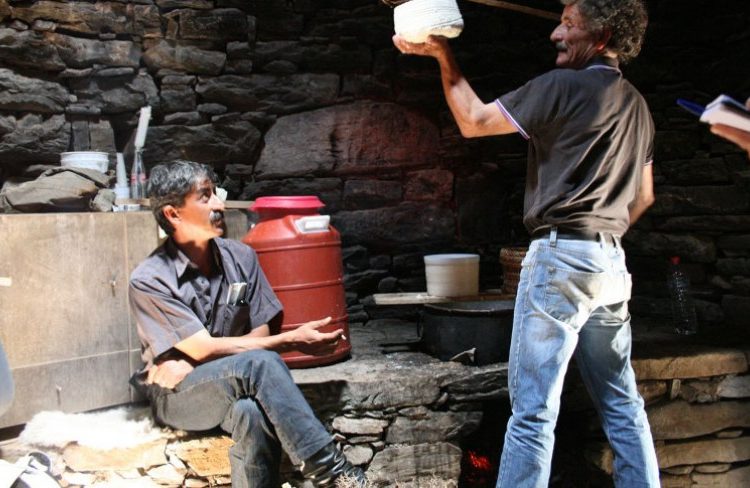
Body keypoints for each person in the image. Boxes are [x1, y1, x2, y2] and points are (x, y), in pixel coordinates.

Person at [393, 0, 659, 486]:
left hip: (562, 257)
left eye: (569, 25)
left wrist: (440, 56)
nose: (556, 33)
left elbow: (473, 120)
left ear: (599, 38)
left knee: (533, 411)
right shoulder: (638, 105)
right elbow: (643, 197)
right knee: (622, 404)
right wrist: (601, 234)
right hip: (611, 264)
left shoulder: (562, 86)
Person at [129, 160, 365, 488]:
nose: (219, 205)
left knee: (251, 413)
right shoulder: (150, 279)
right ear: (173, 214)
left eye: (217, 194)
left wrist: (203, 356)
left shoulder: (242, 257)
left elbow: (258, 332)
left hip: (233, 383)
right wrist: (288, 341)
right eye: (205, 197)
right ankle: (336, 474)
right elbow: (211, 347)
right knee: (260, 361)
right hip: (178, 396)